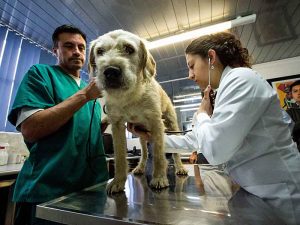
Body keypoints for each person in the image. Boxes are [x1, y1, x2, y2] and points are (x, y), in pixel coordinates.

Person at [127, 32, 300, 221]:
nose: (190, 75)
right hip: (259, 188)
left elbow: (217, 150)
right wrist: (152, 137)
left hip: (281, 192)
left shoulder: (241, 79)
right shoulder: (225, 88)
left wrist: (202, 114)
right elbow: (196, 139)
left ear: (211, 57)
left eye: (192, 66)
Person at [7, 25, 109, 225]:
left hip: (89, 190)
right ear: (55, 50)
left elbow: (82, 132)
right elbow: (30, 128)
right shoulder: (41, 74)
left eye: (81, 47)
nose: (77, 52)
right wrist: (84, 96)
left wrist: (110, 121)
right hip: (47, 191)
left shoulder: (93, 94)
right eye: (69, 46)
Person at [286, 80, 300, 151]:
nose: (299, 93)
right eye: (295, 91)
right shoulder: (288, 112)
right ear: (292, 94)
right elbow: (288, 131)